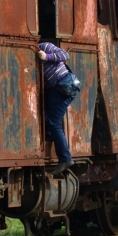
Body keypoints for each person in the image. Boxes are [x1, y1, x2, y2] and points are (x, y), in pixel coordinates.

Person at [37, 42, 77, 175]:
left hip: (64, 85)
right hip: (57, 89)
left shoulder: (45, 46)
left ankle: (65, 159)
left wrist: (46, 56)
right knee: (51, 121)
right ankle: (54, 140)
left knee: (54, 124)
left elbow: (65, 54)